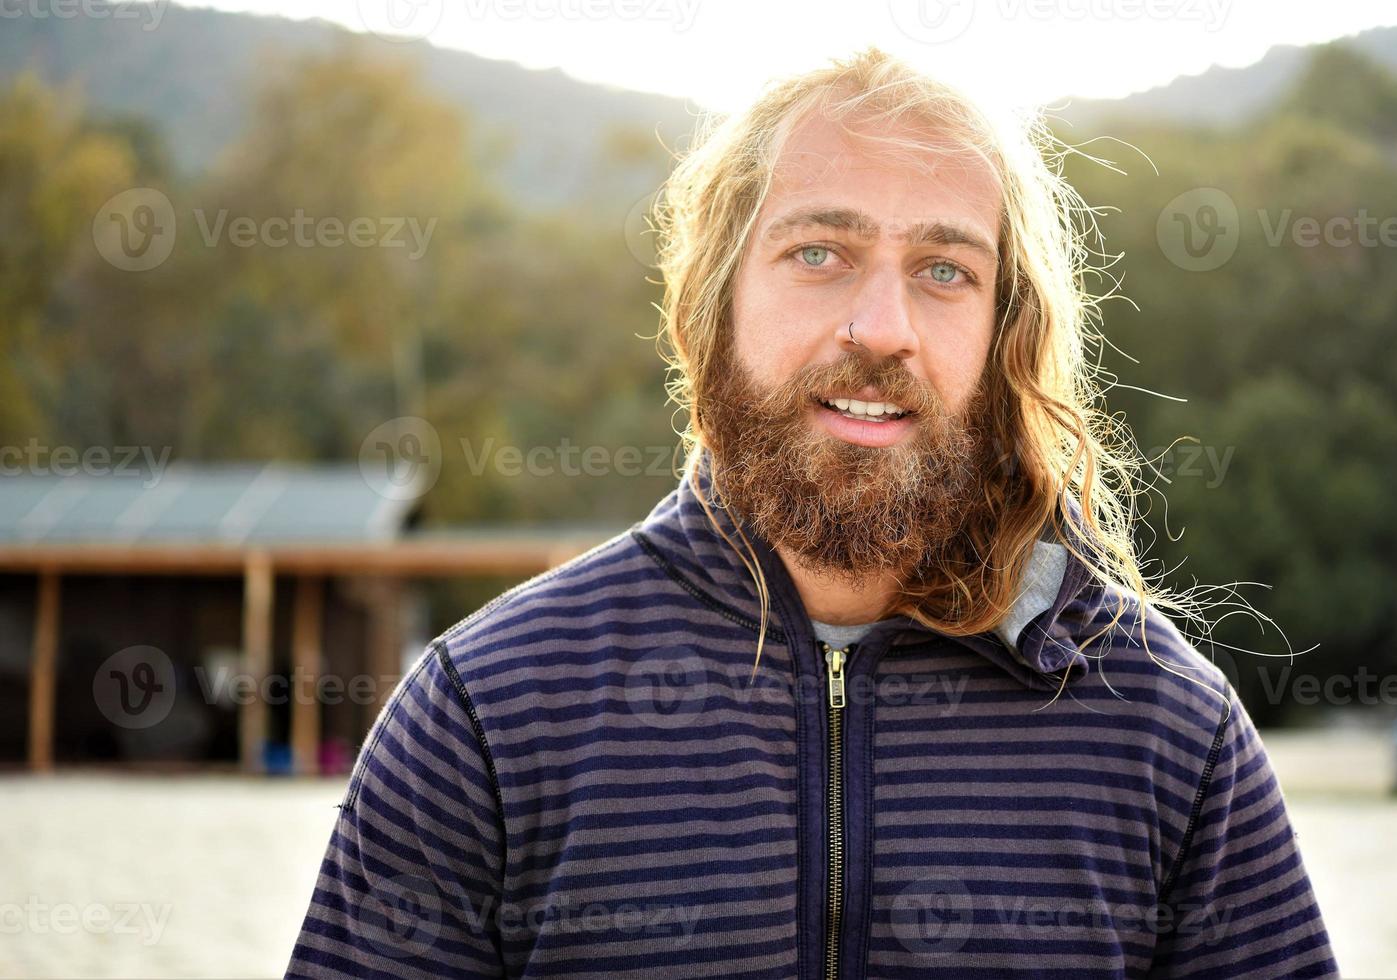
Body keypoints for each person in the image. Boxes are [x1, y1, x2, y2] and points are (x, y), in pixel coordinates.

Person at [287, 46, 1339, 979]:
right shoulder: (487, 713)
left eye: (942, 269)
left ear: (1003, 330)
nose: (880, 327)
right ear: (714, 300)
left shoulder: (1166, 729)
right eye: (818, 252)